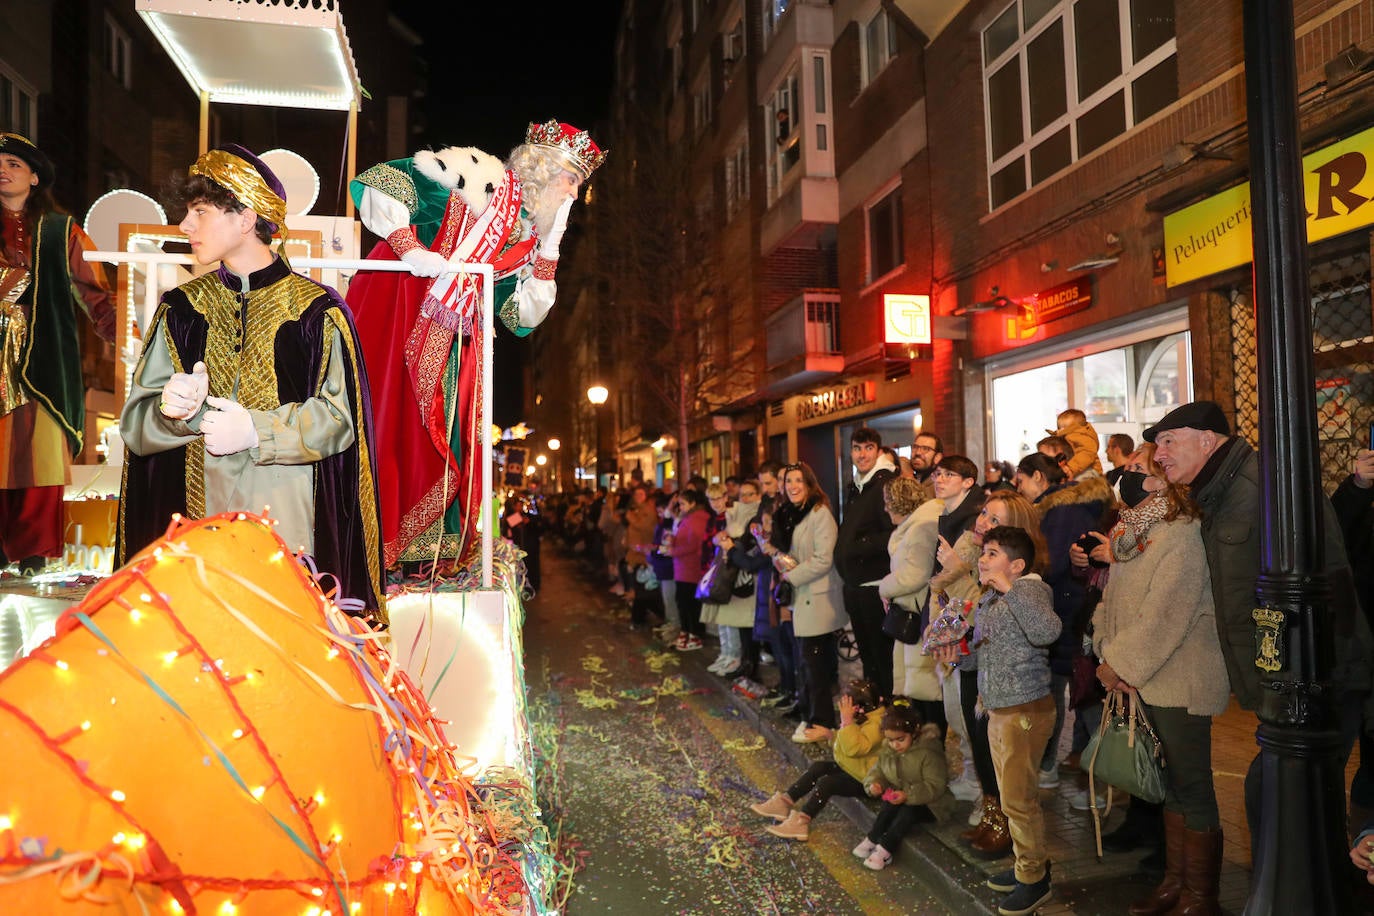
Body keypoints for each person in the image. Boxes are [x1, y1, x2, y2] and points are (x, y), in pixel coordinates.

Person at [119, 145, 384, 617]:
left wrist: (257, 430)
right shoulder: (180, 309)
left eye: (199, 212)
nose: (185, 226)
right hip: (194, 545)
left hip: (291, 542)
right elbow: (137, 427)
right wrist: (172, 412)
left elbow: (342, 419)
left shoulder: (316, 311)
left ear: (245, 219)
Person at [346, 122, 605, 568]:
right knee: (391, 427)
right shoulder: (475, 174)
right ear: (543, 168)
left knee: (451, 440)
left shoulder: (526, 243)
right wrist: (410, 248)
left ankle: (431, 553)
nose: (573, 194)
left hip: (458, 349)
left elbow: (522, 316)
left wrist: (550, 250)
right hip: (401, 317)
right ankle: (373, 543)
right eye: (572, 180)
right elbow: (382, 182)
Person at [1146, 400, 1368, 856]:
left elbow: (1326, 579)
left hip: (1316, 675)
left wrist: (1310, 676)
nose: (1158, 455)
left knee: (1275, 793)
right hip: (1288, 678)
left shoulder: (1263, 487)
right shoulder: (1223, 492)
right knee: (1287, 795)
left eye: (1168, 441)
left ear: (1207, 441)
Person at [1092, 443, 1230, 916]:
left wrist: (1122, 665)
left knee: (1192, 785)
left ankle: (1201, 896)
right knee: (1170, 783)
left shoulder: (1183, 531)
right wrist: (1107, 652)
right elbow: (1112, 602)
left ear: (1162, 479)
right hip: (1144, 674)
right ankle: (1175, 884)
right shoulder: (1135, 529)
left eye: (1137, 469)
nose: (1127, 476)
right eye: (1127, 468)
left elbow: (1167, 614)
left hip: (1181, 676)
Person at [0, 133, 116, 575]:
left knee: (38, 452)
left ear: (33, 177)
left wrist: (128, 341)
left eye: (14, 163)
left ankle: (31, 550)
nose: (4, 169)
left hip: (43, 359)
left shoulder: (62, 230)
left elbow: (96, 294)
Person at [939, 525, 1060, 915]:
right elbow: (983, 651)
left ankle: (1034, 878)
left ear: (1017, 564)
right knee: (1012, 799)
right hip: (998, 707)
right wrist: (956, 653)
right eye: (984, 553)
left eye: (992, 553)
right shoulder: (991, 598)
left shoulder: (1029, 590)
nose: (983, 559)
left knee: (1020, 801)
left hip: (1024, 710)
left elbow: (1047, 631)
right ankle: (1028, 864)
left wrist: (1009, 588)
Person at [934, 493, 1043, 859]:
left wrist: (959, 573)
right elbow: (965, 612)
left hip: (1006, 687)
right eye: (983, 514)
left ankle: (1010, 830)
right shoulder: (977, 560)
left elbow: (1040, 629)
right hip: (974, 670)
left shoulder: (1023, 582)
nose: (982, 522)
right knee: (980, 746)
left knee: (1003, 758)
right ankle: (994, 816)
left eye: (994, 520)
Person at [1014, 451, 1114, 790]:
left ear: (1039, 478)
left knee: (1074, 694)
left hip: (1066, 613)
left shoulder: (1060, 511)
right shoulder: (1068, 507)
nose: (1020, 488)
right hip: (1071, 612)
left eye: (1021, 480)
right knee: (1076, 693)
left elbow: (1054, 562)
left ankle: (1087, 774)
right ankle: (1084, 768)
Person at [753, 678, 886, 841]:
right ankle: (785, 801)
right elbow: (848, 742)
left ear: (859, 707)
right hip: (853, 768)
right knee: (818, 767)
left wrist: (846, 721)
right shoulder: (865, 717)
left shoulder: (876, 724)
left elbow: (854, 748)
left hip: (867, 780)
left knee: (827, 783)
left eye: (848, 704)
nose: (844, 708)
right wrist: (830, 735)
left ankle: (802, 821)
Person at [771, 461, 848, 742]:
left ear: (809, 484)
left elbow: (823, 559)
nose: (792, 486)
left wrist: (791, 576)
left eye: (798, 481)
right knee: (807, 663)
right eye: (788, 481)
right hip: (803, 599)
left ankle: (823, 722)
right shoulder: (793, 515)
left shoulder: (819, 514)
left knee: (815, 664)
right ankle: (811, 717)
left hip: (818, 599)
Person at [834, 427, 899, 699]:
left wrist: (859, 546)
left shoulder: (884, 484)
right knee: (868, 658)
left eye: (868, 448)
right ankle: (875, 711)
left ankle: (888, 712)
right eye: (857, 448)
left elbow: (894, 531)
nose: (862, 454)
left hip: (874, 586)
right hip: (855, 585)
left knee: (880, 657)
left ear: (878, 451)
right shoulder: (857, 485)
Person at [854, 702, 955, 871]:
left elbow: (935, 785)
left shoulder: (928, 752)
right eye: (891, 740)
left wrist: (907, 795)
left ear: (914, 733)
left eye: (900, 739)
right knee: (889, 806)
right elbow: (878, 770)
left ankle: (885, 848)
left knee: (908, 811)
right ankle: (872, 838)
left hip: (933, 804)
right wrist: (875, 784)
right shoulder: (889, 750)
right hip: (904, 796)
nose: (895, 745)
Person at [877, 477, 943, 704]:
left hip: (918, 612)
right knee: (918, 682)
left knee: (925, 685)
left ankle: (930, 733)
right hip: (912, 609)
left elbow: (915, 575)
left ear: (900, 502)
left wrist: (884, 588)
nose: (885, 508)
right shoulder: (915, 524)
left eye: (888, 501)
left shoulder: (921, 527)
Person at [665, 487, 710, 651]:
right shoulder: (689, 518)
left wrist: (673, 551)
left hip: (690, 567)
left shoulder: (697, 519)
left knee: (689, 602)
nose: (680, 508)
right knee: (683, 601)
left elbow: (694, 544)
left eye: (683, 504)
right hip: (683, 566)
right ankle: (686, 632)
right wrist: (673, 540)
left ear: (692, 503)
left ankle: (694, 634)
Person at [1049, 408, 1104, 480]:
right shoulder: (1071, 435)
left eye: (1064, 427)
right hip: (1081, 470)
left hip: (1089, 471)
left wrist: (1070, 468)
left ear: (1074, 427)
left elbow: (1087, 453)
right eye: (1059, 427)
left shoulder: (1078, 435)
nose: (1060, 430)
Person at [910, 431, 944, 496]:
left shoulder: (940, 487)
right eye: (915, 447)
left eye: (925, 449)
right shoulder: (909, 483)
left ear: (937, 457)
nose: (918, 453)